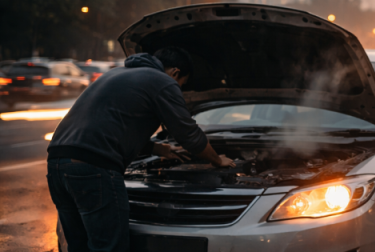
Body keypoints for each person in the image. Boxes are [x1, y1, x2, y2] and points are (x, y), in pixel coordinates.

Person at [46, 47, 235, 252]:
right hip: (93, 169)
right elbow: (187, 133)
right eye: (182, 84)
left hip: (57, 164)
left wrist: (158, 149)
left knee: (78, 246)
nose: (179, 88)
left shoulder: (115, 74)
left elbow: (111, 126)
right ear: (175, 73)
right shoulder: (162, 81)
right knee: (109, 248)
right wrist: (217, 160)